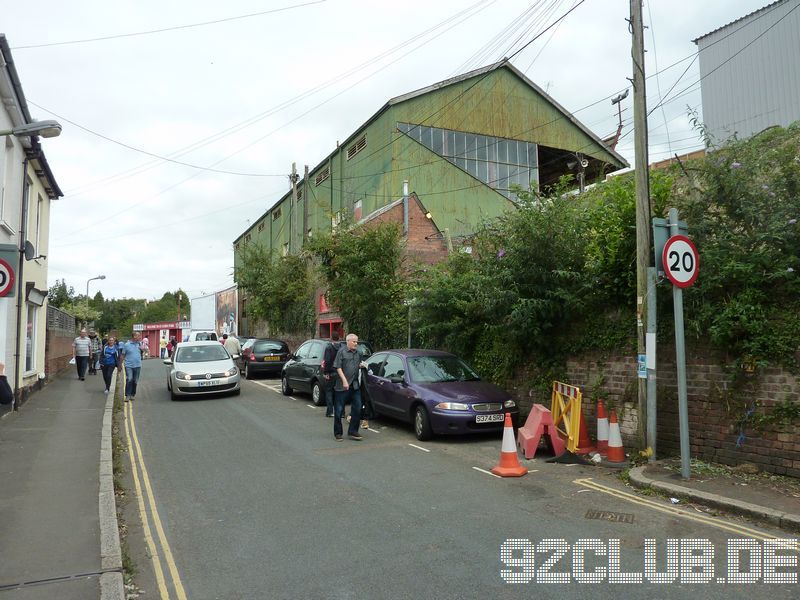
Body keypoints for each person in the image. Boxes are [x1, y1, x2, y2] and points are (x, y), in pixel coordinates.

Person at [333, 333, 366, 441]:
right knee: (339, 410)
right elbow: (338, 367)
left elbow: (359, 364)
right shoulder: (341, 352)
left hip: (355, 385)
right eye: (354, 342)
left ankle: (353, 431)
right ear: (348, 342)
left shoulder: (359, 353)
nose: (356, 344)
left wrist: (361, 365)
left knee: (357, 407)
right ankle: (338, 433)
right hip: (342, 386)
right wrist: (344, 381)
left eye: (357, 342)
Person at [321, 332, 342, 418]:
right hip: (340, 373)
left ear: (331, 338)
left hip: (331, 372)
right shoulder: (342, 347)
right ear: (339, 338)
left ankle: (330, 412)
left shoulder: (329, 347)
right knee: (340, 392)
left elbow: (328, 361)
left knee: (329, 391)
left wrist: (326, 372)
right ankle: (342, 413)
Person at [121, 331, 144, 402]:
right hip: (129, 365)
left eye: (139, 336)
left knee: (135, 381)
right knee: (129, 379)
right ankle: (127, 395)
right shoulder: (127, 345)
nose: (139, 337)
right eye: (137, 336)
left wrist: (142, 350)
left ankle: (132, 395)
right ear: (133, 336)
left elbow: (143, 353)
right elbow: (122, 355)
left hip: (137, 365)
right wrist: (119, 365)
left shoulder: (140, 344)